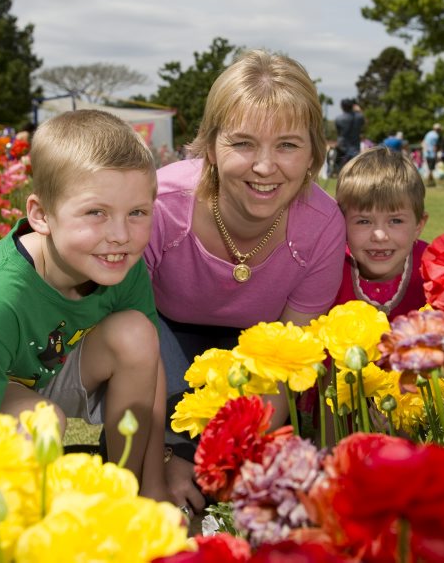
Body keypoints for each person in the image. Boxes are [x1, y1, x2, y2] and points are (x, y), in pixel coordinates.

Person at [0, 110, 174, 505]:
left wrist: (155, 487)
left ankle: (123, 498)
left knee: (137, 333)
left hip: (52, 368)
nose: (120, 235)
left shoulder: (120, 263)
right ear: (41, 215)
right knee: (41, 421)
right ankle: (19, 520)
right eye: (95, 212)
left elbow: (150, 373)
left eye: (136, 213)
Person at [145, 49, 346, 504]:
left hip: (257, 350)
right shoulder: (163, 205)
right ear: (211, 144)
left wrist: (200, 456)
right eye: (243, 143)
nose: (264, 166)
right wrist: (163, 457)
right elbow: (124, 338)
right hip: (157, 335)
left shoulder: (322, 226)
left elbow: (284, 367)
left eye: (288, 145)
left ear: (314, 152)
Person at [333, 147, 428, 320]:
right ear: (340, 223)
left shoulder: (433, 270)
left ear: (418, 226)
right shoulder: (330, 268)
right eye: (363, 221)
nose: (379, 235)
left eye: (396, 221)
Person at [334, 98, 365, 175]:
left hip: (342, 147)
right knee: (355, 171)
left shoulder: (339, 119)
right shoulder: (359, 117)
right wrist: (358, 110)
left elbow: (339, 133)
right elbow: (363, 122)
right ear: (352, 106)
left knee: (341, 170)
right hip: (355, 147)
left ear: (342, 107)